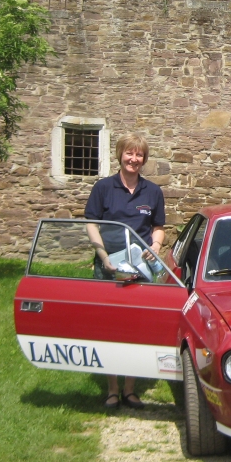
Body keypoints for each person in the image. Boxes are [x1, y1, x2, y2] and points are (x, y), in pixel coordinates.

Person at [84, 132, 166, 409]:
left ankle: (130, 389)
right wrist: (102, 255)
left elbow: (158, 228)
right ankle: (111, 389)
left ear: (144, 159)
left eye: (139, 154)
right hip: (109, 266)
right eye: (129, 153)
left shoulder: (152, 192)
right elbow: (92, 224)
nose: (134, 159)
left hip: (138, 267)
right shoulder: (103, 188)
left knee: (134, 326)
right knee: (110, 326)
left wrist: (155, 246)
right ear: (119, 155)